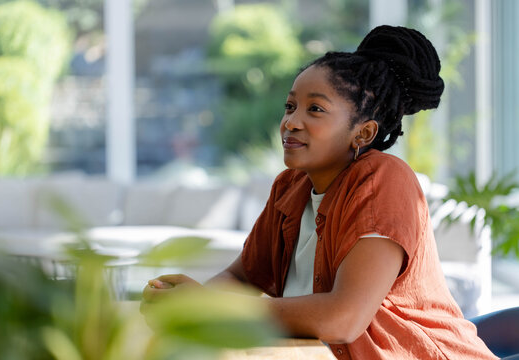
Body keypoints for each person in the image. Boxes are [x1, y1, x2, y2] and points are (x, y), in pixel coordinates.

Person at [141, 25, 497, 359]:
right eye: (290, 106)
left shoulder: (383, 180)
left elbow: (344, 318)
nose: (291, 121)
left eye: (315, 109)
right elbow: (241, 277)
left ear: (363, 133)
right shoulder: (291, 187)